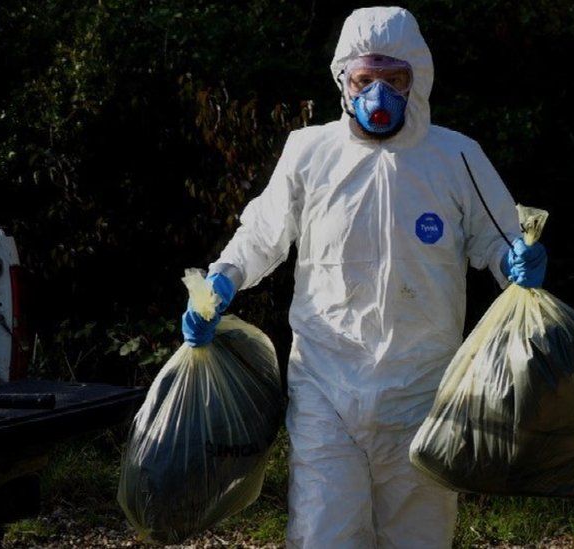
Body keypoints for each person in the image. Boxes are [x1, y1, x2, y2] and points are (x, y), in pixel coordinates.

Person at [182, 6, 547, 548]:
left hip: (423, 389)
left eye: (395, 79)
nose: (379, 94)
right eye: (365, 79)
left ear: (417, 80)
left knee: (419, 537)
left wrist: (517, 262)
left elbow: (498, 239)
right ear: (343, 80)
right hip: (327, 386)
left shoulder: (455, 157)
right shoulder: (309, 153)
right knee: (323, 532)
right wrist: (222, 280)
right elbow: (262, 234)